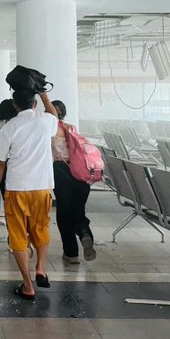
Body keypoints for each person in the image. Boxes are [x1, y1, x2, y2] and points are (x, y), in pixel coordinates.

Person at [0, 89, 59, 300]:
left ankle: (28, 286)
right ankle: (41, 268)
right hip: (42, 187)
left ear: (14, 105)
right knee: (41, 228)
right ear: (35, 104)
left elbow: (0, 163)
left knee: (18, 235)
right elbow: (54, 115)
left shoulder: (10, 127)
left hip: (17, 188)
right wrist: (44, 95)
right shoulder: (46, 121)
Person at [51, 100, 96, 264]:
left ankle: (71, 253)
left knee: (64, 213)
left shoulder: (49, 130)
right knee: (78, 211)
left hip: (61, 171)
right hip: (81, 174)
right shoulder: (72, 128)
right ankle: (84, 233)